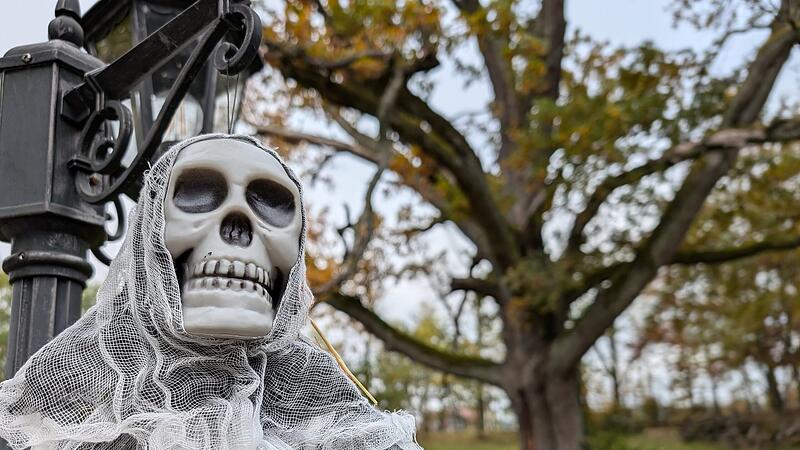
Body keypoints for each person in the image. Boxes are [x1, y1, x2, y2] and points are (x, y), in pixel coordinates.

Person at [0, 134, 421, 450]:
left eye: (271, 206)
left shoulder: (321, 401)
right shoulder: (66, 393)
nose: (237, 226)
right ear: (149, 235)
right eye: (197, 196)